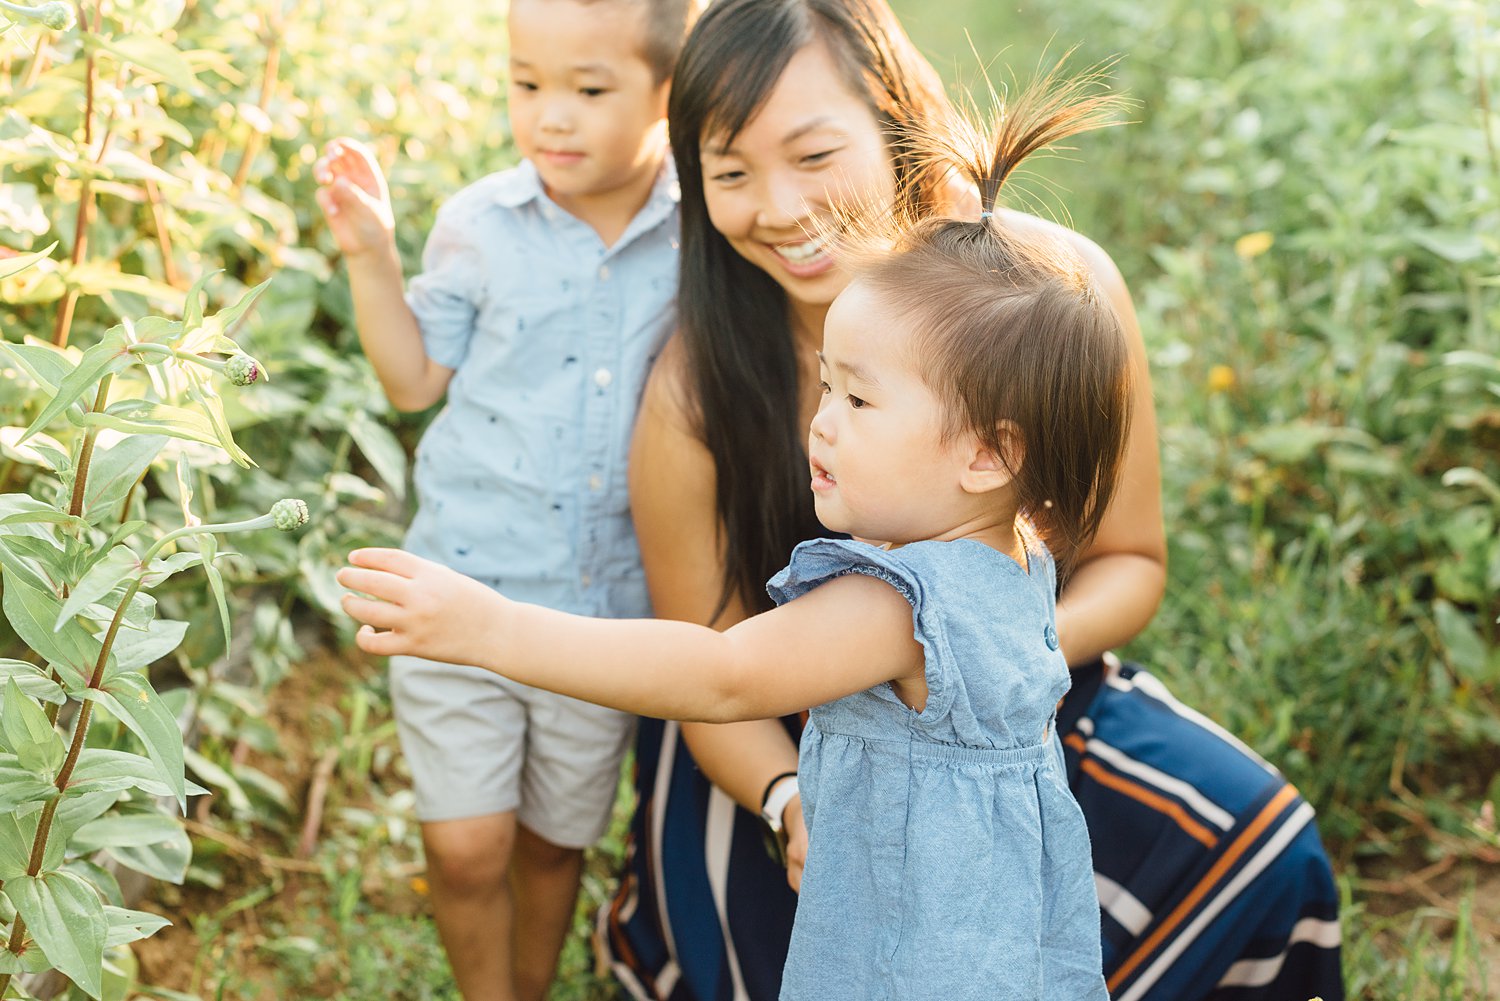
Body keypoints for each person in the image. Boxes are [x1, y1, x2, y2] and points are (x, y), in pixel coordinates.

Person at [602, 2, 1346, 1000]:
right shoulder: (696, 387)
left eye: (815, 154)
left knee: (1258, 846)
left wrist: (991, 658)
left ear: (895, 120)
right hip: (781, 735)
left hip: (1024, 696)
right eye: (731, 172)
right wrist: (790, 803)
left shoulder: (1056, 297)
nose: (778, 207)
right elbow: (714, 661)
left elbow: (1130, 558)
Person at [337, 72, 1135, 998]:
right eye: (828, 387)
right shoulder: (1019, 552)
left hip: (915, 955)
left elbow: (721, 675)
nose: (823, 422)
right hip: (1000, 941)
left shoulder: (896, 603)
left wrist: (490, 629)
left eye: (861, 399)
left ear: (990, 455)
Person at [311, 1, 701, 997]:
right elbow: (412, 380)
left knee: (554, 840)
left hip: (603, 613)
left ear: (668, 91)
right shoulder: (480, 223)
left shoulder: (703, 229)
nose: (551, 117)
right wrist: (371, 253)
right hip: (460, 577)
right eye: (527, 84)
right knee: (468, 843)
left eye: (588, 88)